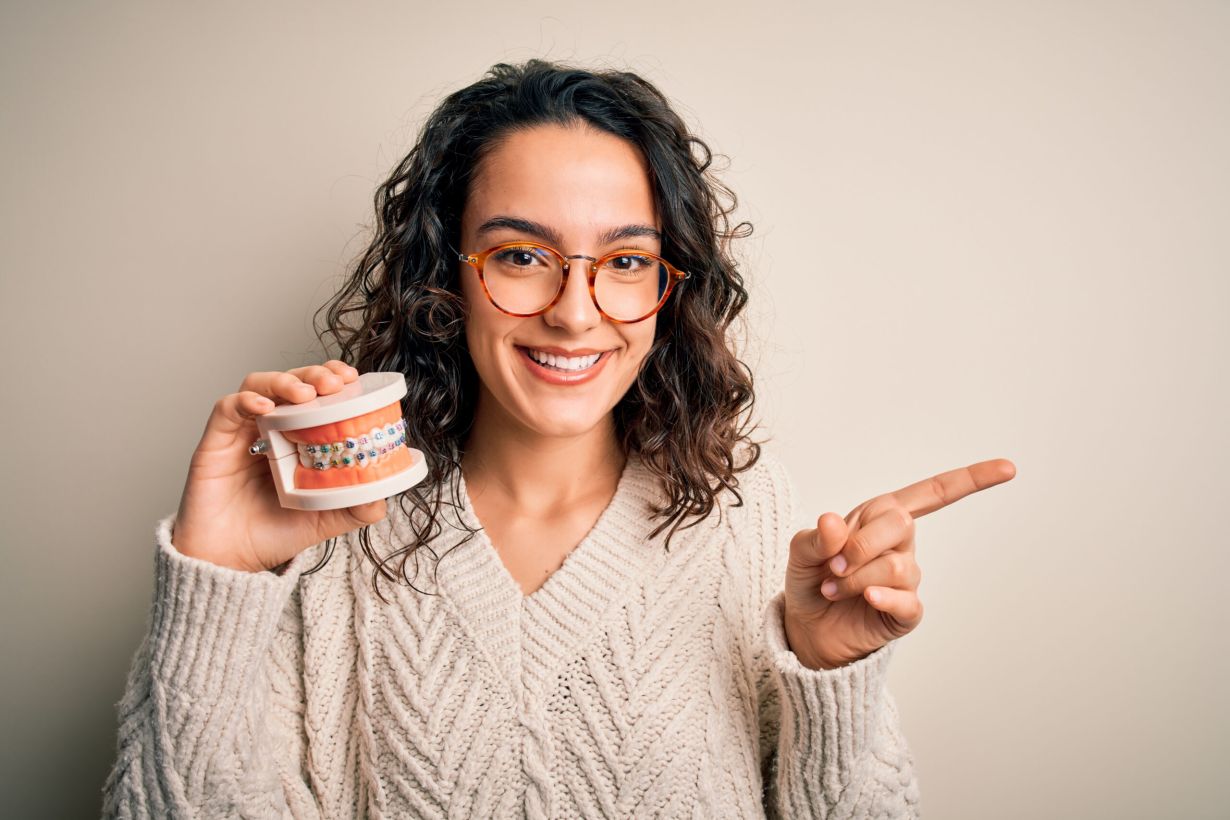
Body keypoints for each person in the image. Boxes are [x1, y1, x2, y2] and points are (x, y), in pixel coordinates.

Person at [102, 58, 1014, 818]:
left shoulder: (749, 519)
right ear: (447, 276)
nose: (576, 315)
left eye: (625, 262)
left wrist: (831, 677)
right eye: (522, 256)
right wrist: (216, 579)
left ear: (673, 285)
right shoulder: (326, 533)